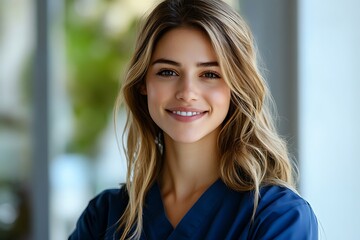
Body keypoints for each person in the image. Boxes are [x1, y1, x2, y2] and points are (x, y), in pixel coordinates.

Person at [69, 0, 318, 239]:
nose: (187, 92)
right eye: (167, 72)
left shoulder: (277, 216)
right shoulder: (104, 218)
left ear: (236, 86)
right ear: (144, 83)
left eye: (209, 74)